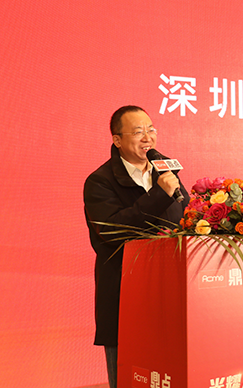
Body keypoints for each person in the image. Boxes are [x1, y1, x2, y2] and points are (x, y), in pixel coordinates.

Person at [83, 105, 189, 388]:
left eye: (151, 130)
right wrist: (159, 194)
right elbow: (113, 230)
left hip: (170, 294)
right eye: (138, 131)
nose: (147, 137)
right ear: (117, 140)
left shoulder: (166, 171)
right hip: (124, 294)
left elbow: (187, 219)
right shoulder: (99, 182)